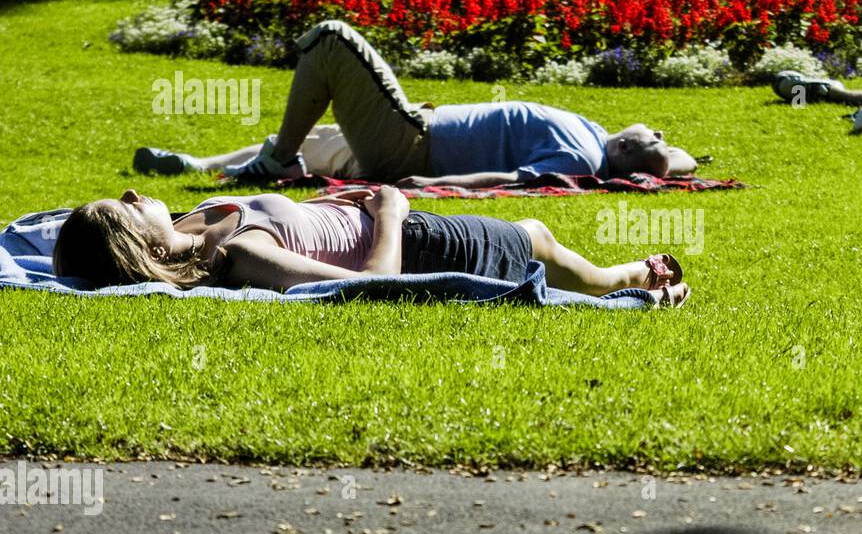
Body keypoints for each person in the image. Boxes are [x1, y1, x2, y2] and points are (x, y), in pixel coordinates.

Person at [134, 20, 698, 185]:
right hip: (416, 130)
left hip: (414, 148)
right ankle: (199, 166)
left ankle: (277, 159)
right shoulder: (594, 132)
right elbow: (676, 159)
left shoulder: (583, 159)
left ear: (626, 147)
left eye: (653, 137)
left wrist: (433, 186)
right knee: (316, 140)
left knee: (331, 42)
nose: (659, 132)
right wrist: (667, 160)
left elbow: (511, 180)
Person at [51, 188, 691, 306]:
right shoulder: (242, 255)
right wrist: (389, 210)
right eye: (125, 206)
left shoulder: (193, 227)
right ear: (135, 242)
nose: (136, 193)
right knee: (536, 241)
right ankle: (625, 280)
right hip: (423, 246)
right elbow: (374, 289)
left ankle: (624, 276)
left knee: (543, 245)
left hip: (413, 229)